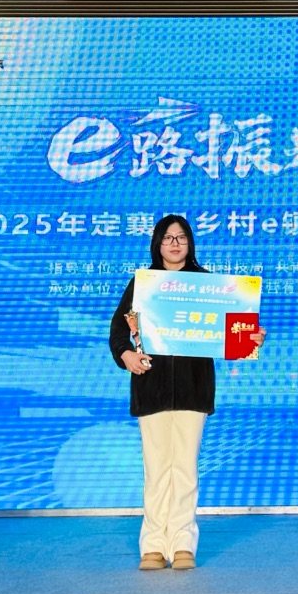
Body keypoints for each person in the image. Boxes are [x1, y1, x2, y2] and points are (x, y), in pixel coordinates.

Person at [109, 215, 264, 571]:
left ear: (191, 243)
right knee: (156, 470)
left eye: (181, 237)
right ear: (157, 244)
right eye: (168, 238)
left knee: (185, 469)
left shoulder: (208, 285)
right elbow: (118, 329)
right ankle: (152, 545)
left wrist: (250, 339)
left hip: (194, 389)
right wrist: (126, 354)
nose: (175, 244)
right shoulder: (143, 284)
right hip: (151, 388)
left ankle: (182, 543)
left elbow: (233, 334)